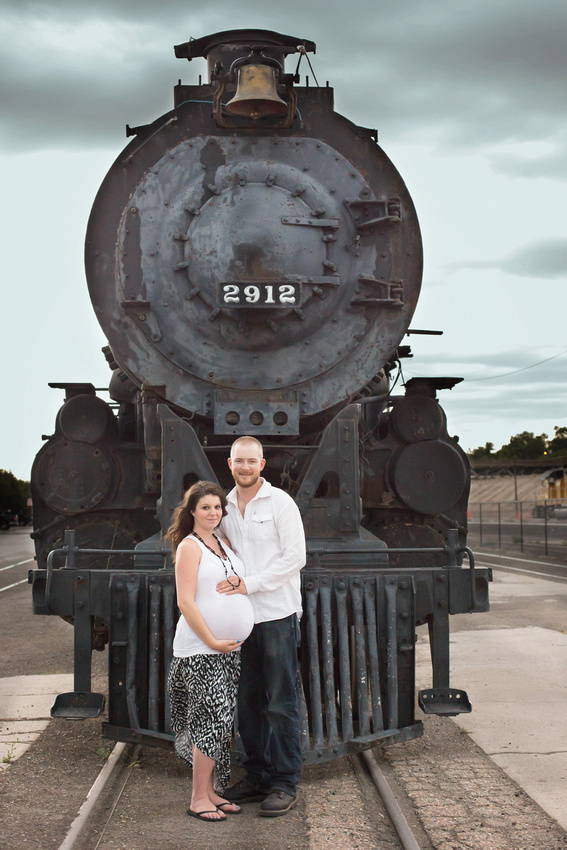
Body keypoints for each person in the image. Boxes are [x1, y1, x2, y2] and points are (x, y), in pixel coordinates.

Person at [217, 436, 306, 817]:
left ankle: (285, 782)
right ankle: (257, 775)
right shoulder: (222, 507)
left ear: (263, 464)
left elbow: (295, 557)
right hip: (240, 618)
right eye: (240, 461)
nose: (246, 467)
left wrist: (250, 584)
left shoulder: (281, 502)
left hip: (275, 614)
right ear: (230, 463)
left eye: (252, 461)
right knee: (249, 702)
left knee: (281, 702)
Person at [166, 480, 254, 822]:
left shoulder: (222, 542)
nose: (213, 512)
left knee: (220, 722)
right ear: (192, 512)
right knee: (209, 720)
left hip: (225, 649)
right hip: (201, 648)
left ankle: (212, 792)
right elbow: (185, 601)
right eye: (205, 507)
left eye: (217, 507)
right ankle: (196, 798)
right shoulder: (189, 547)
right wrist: (213, 641)